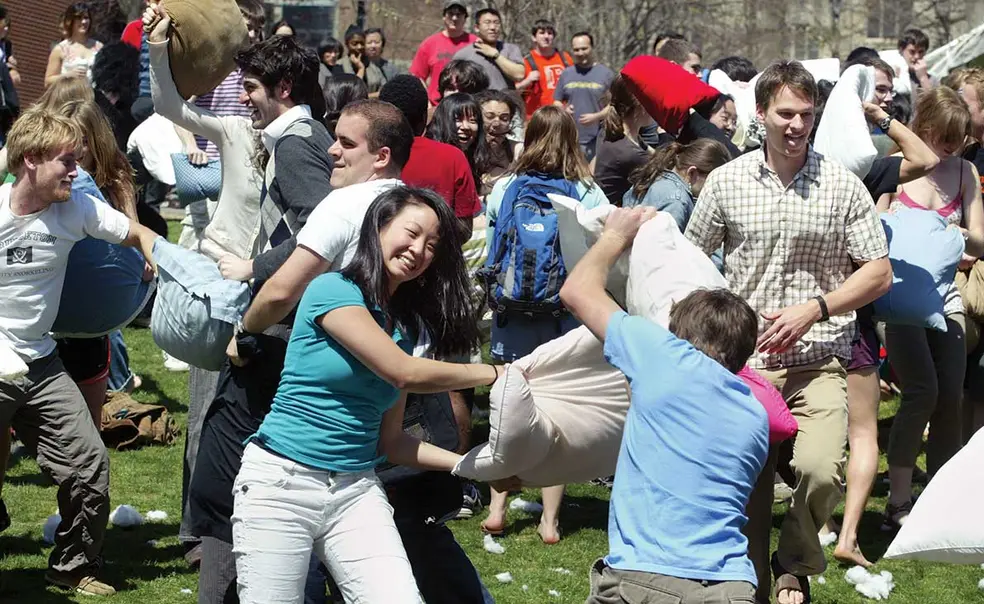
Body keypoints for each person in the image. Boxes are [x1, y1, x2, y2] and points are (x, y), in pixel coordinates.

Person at [684, 60, 893, 604]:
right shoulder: (727, 180)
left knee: (822, 470)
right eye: (786, 114)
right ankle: (745, 577)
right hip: (743, 364)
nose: (797, 125)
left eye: (806, 114)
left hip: (819, 357)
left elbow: (878, 270)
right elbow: (691, 260)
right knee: (743, 483)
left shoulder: (842, 184)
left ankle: (793, 559)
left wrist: (816, 308)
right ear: (761, 114)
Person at [560, 206, 768, 604]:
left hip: (647, 580)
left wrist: (614, 236)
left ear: (677, 336)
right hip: (732, 585)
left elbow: (577, 292)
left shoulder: (664, 356)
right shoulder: (754, 414)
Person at [0, 107, 158, 597]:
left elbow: (136, 232)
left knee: (89, 465)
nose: (77, 171)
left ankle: (72, 567)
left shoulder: (78, 209)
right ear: (30, 159)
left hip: (42, 365)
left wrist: (158, 257)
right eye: (67, 161)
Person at [480, 105, 609, 544]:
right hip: (563, 313)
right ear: (574, 139)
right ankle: (549, 520)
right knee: (557, 410)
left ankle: (497, 508)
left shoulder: (507, 187)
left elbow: (492, 246)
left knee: (506, 406)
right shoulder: (586, 190)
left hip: (511, 313)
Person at [880, 86, 984, 531]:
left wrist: (957, 234)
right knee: (921, 390)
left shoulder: (965, 174)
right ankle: (898, 502)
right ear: (924, 129)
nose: (953, 148)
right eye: (946, 139)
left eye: (960, 140)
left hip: (947, 297)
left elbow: (980, 240)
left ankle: (941, 501)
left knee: (950, 395)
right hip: (899, 299)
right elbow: (869, 226)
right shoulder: (896, 167)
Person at [622, 138, 731, 230]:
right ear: (692, 173)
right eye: (712, 183)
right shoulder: (677, 203)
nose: (714, 191)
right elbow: (663, 248)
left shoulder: (655, 174)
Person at [555, 31, 615, 162]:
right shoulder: (566, 73)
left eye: (584, 48)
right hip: (570, 138)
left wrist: (596, 117)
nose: (580, 53)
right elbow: (557, 101)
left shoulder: (606, 74)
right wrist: (564, 110)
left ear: (592, 48)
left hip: (598, 138)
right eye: (576, 50)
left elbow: (614, 106)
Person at [593, 75, 653, 205]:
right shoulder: (631, 154)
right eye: (651, 99)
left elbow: (646, 148)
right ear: (638, 104)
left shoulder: (611, 131)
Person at [409, 1, 477, 106]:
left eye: (459, 14)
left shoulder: (475, 43)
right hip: (437, 105)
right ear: (444, 17)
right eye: (450, 14)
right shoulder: (430, 43)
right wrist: (427, 103)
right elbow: (417, 76)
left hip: (469, 104)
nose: (454, 18)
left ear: (465, 18)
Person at [426, 93, 489, 194]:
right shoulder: (430, 159)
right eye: (457, 120)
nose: (466, 127)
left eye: (472, 121)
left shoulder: (474, 159)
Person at [452, 7, 524, 92]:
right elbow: (453, 86)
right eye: (487, 23)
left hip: (507, 103)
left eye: (496, 23)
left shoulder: (510, 49)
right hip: (477, 103)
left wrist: (496, 56)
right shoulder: (464, 55)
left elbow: (519, 75)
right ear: (476, 28)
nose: (493, 27)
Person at [517, 19, 572, 120]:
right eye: (542, 33)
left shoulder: (565, 58)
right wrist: (527, 81)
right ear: (534, 37)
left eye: (550, 33)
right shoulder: (526, 62)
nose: (546, 36)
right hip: (537, 118)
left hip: (563, 117)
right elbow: (514, 91)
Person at [45, 2, 104, 86]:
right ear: (70, 21)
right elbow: (47, 81)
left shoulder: (99, 47)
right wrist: (68, 75)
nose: (83, 22)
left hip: (93, 97)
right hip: (68, 97)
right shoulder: (60, 49)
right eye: (79, 18)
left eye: (86, 18)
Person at [476, 89, 523, 191]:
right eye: (489, 116)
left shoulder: (517, 151)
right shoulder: (465, 151)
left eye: (504, 118)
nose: (497, 123)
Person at [362, 28, 400, 96]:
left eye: (376, 42)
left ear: (382, 45)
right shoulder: (358, 66)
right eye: (369, 42)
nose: (373, 46)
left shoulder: (390, 68)